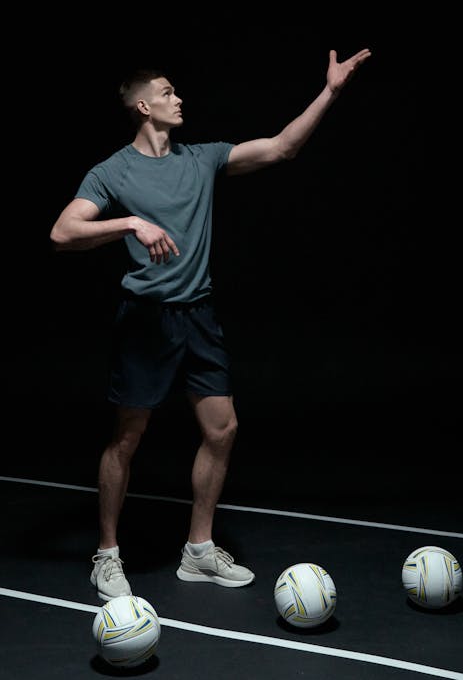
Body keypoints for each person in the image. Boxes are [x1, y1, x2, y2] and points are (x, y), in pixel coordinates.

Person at [49, 46, 372, 600]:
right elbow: (62, 232)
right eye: (169, 92)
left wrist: (331, 92)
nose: (180, 99)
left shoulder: (200, 158)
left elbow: (281, 147)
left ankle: (198, 551)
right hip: (145, 322)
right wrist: (130, 223)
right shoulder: (112, 172)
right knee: (128, 438)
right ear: (144, 106)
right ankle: (107, 554)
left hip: (198, 315)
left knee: (222, 429)